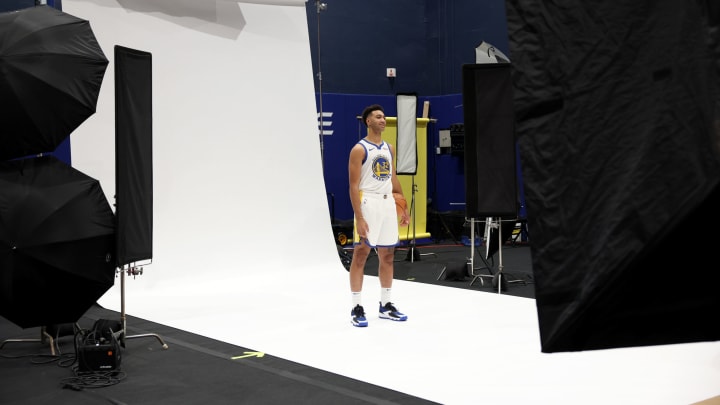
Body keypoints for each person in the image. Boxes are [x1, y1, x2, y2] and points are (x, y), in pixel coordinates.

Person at [347, 104, 410, 327]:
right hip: (368, 203)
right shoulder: (359, 149)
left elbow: (392, 179)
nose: (383, 120)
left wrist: (403, 206)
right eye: (378, 117)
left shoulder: (389, 148)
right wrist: (360, 218)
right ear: (368, 121)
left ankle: (386, 305)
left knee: (388, 254)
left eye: (384, 117)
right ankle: (356, 307)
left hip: (387, 203)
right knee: (361, 254)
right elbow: (353, 187)